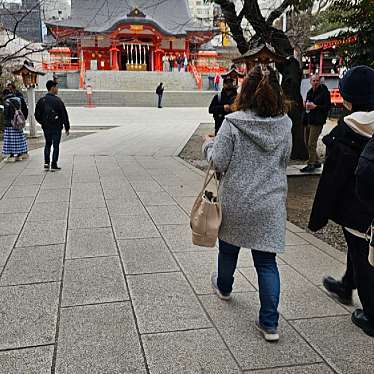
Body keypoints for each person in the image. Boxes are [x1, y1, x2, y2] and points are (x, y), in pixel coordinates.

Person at [202, 65, 292, 342]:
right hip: (270, 202)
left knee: (228, 250)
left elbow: (218, 161)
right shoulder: (285, 124)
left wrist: (208, 144)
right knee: (266, 263)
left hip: (237, 200)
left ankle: (225, 287)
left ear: (245, 90)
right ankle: (269, 323)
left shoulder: (233, 123)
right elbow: (284, 161)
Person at [308, 65, 374, 337]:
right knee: (356, 247)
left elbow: (332, 180)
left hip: (356, 205)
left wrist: (319, 215)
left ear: (349, 99)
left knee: (363, 255)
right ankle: (347, 284)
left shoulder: (347, 131)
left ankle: (371, 314)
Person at [34, 80, 70, 171]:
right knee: (56, 145)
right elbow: (64, 114)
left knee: (48, 144)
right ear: (52, 88)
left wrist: (42, 122)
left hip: (46, 127)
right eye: (56, 87)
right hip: (56, 127)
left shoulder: (42, 100)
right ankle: (54, 164)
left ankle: (46, 163)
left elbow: (37, 114)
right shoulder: (58, 101)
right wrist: (67, 127)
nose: (57, 89)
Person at [301, 75, 331, 173]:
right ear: (310, 81)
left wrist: (316, 106)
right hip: (309, 119)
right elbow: (307, 106)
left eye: (317, 80)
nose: (315, 82)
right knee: (306, 143)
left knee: (311, 143)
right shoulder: (310, 92)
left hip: (318, 121)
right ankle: (317, 161)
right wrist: (306, 106)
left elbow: (327, 107)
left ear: (320, 81)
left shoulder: (324, 92)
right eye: (313, 80)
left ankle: (311, 164)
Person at [2, 88, 29, 162]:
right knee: (19, 138)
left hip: (10, 123)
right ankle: (20, 154)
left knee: (11, 140)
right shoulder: (18, 99)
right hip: (18, 122)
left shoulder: (7, 101)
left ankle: (12, 155)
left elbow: (7, 114)